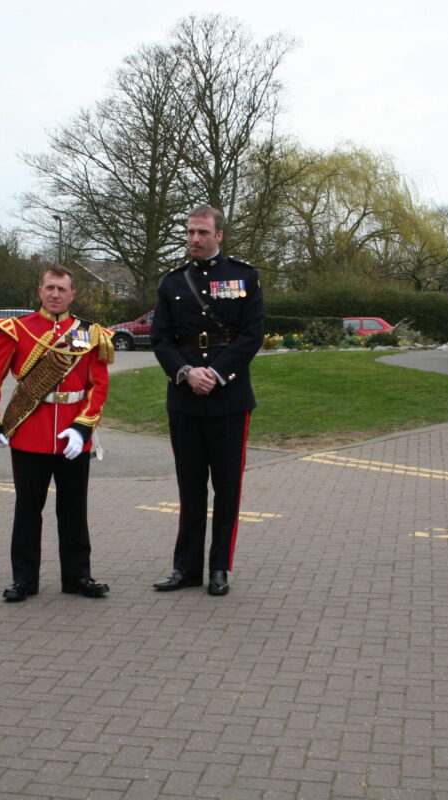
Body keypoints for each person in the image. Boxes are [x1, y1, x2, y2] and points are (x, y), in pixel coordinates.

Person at [0, 266, 115, 602]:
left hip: (74, 434)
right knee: (27, 509)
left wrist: (83, 429)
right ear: (40, 290)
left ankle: (78, 576)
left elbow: (98, 386)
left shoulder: (90, 333)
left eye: (62, 289)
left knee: (74, 510)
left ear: (72, 295)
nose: (55, 294)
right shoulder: (16, 330)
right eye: (50, 288)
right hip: (29, 433)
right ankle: (24, 580)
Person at [149, 205, 265, 596]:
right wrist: (186, 373)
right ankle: (186, 568)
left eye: (202, 232)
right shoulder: (171, 282)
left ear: (218, 235)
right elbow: (161, 338)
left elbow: (252, 336)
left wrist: (215, 373)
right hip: (184, 398)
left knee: (227, 488)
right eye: (189, 232)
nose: (194, 239)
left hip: (228, 399)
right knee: (190, 487)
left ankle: (219, 569)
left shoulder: (244, 276)